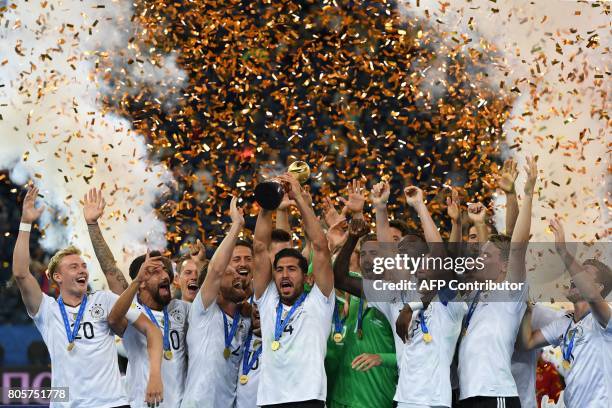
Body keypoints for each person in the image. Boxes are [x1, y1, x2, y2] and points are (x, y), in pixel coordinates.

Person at [13, 186, 163, 407]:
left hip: (112, 403)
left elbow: (149, 327)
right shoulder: (47, 310)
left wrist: (93, 224)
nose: (82, 270)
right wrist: (26, 223)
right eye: (73, 267)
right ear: (57, 277)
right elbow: (20, 273)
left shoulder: (103, 299)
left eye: (84, 266)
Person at [457, 157, 538, 408]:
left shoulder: (510, 293)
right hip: (469, 395)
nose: (479, 259)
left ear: (503, 266)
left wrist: (525, 193)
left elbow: (517, 245)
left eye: (486, 256)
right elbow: (490, 248)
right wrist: (478, 224)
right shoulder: (477, 296)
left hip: (495, 394)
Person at [252, 173, 335, 408]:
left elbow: (320, 247)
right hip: (271, 400)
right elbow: (259, 247)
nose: (285, 275)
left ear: (307, 276)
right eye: (279, 270)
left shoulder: (319, 301)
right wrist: (268, 203)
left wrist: (299, 197)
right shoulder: (267, 300)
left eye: (292, 269)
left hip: (309, 399)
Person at [520, 218, 612, 408]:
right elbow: (527, 342)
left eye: (584, 274)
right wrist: (527, 309)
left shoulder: (604, 322)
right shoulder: (565, 323)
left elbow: (591, 294)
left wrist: (562, 250)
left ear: (599, 287)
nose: (574, 278)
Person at [181, 196, 251, 408]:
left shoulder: (246, 320)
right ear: (217, 286)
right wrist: (236, 226)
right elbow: (216, 269)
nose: (238, 277)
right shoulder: (203, 312)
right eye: (232, 274)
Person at [107, 251, 190, 408]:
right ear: (142, 282)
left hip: (180, 403)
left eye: (165, 270)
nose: (165, 275)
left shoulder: (182, 309)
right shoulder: (132, 311)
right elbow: (113, 319)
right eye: (156, 272)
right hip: (143, 403)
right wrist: (137, 280)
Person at [235, 303, 263, 408]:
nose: (257, 310)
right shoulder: (242, 337)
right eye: (255, 305)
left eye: (262, 305)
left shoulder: (277, 343)